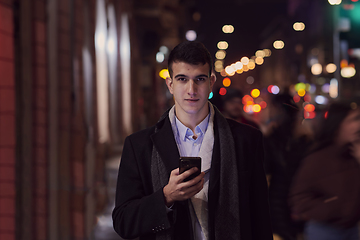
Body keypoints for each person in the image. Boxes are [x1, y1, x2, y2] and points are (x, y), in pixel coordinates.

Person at [112, 41, 272, 240]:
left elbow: (261, 220)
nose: (192, 89)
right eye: (182, 79)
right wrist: (166, 196)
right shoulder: (140, 146)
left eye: (200, 79)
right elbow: (123, 222)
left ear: (211, 81)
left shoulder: (246, 140)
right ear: (170, 84)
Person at [289, 102, 360, 240]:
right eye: (353, 120)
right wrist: (334, 207)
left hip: (352, 229)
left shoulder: (354, 154)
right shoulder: (318, 158)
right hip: (326, 232)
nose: (358, 125)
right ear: (339, 124)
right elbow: (298, 198)